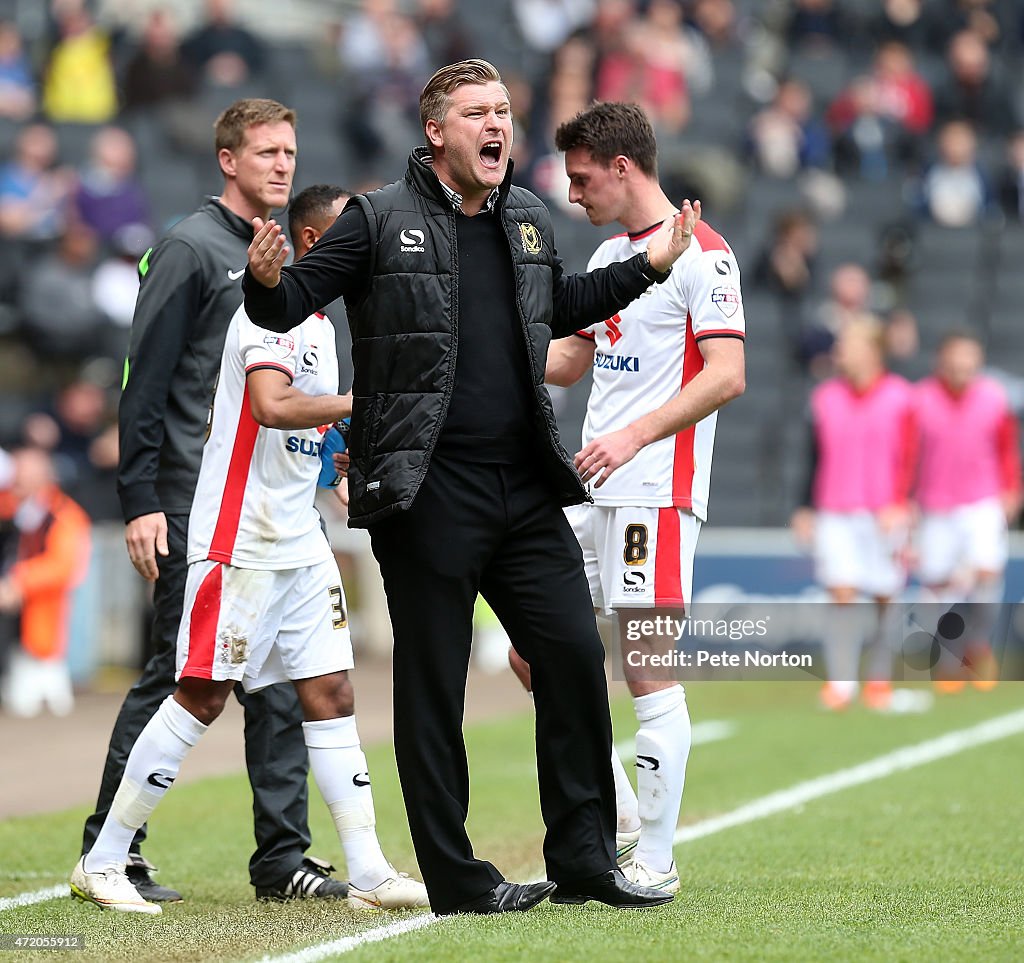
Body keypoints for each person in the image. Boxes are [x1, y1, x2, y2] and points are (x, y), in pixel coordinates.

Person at [243, 59, 696, 916]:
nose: (498, 126)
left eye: (504, 112)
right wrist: (265, 280)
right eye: (479, 113)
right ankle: (455, 877)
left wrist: (651, 266)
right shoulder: (377, 219)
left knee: (569, 652)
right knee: (434, 686)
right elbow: (291, 299)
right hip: (425, 486)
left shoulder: (527, 216)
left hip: (525, 484)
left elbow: (558, 303)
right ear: (437, 131)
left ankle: (585, 858)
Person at [70, 185, 429, 915]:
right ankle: (103, 859)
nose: (365, 254)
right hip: (239, 539)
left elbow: (305, 425)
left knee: (330, 693)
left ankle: (366, 867)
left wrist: (340, 451)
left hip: (298, 541)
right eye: (346, 240)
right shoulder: (265, 310)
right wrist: (366, 406)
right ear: (306, 241)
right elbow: (271, 406)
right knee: (199, 695)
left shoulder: (325, 327)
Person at [79, 99, 348, 905]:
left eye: (290, 151)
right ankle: (111, 847)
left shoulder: (285, 261)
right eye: (265, 151)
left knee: (279, 680)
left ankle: (283, 858)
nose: (281, 165)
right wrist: (142, 499)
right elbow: (144, 381)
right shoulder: (191, 248)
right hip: (194, 504)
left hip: (266, 510)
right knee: (174, 673)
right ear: (226, 159)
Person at [506, 101, 746, 893]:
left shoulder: (705, 255)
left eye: (580, 177)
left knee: (645, 664)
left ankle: (658, 859)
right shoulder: (614, 252)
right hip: (592, 487)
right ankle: (621, 806)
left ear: (621, 166)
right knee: (532, 651)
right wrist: (477, 354)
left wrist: (636, 435)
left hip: (654, 485)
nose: (572, 193)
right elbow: (571, 361)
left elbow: (726, 374)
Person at [791, 319, 917, 711]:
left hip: (884, 513)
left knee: (883, 596)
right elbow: (813, 458)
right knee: (841, 594)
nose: (841, 350)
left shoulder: (902, 397)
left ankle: (879, 680)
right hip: (835, 509)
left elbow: (913, 457)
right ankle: (841, 684)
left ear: (873, 349)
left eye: (849, 343)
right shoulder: (825, 397)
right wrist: (805, 507)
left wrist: (903, 502)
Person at [913, 331, 1021, 689]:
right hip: (936, 505)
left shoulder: (993, 399)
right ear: (942, 364)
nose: (963, 372)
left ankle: (978, 645)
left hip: (982, 501)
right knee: (940, 588)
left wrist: (1011, 489)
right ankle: (949, 661)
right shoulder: (920, 401)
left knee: (988, 575)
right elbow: (907, 456)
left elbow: (1005, 448)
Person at [0, 447, 91, 718]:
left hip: (39, 607)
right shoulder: (12, 508)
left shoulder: (65, 515)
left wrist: (18, 582)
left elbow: (63, 567)